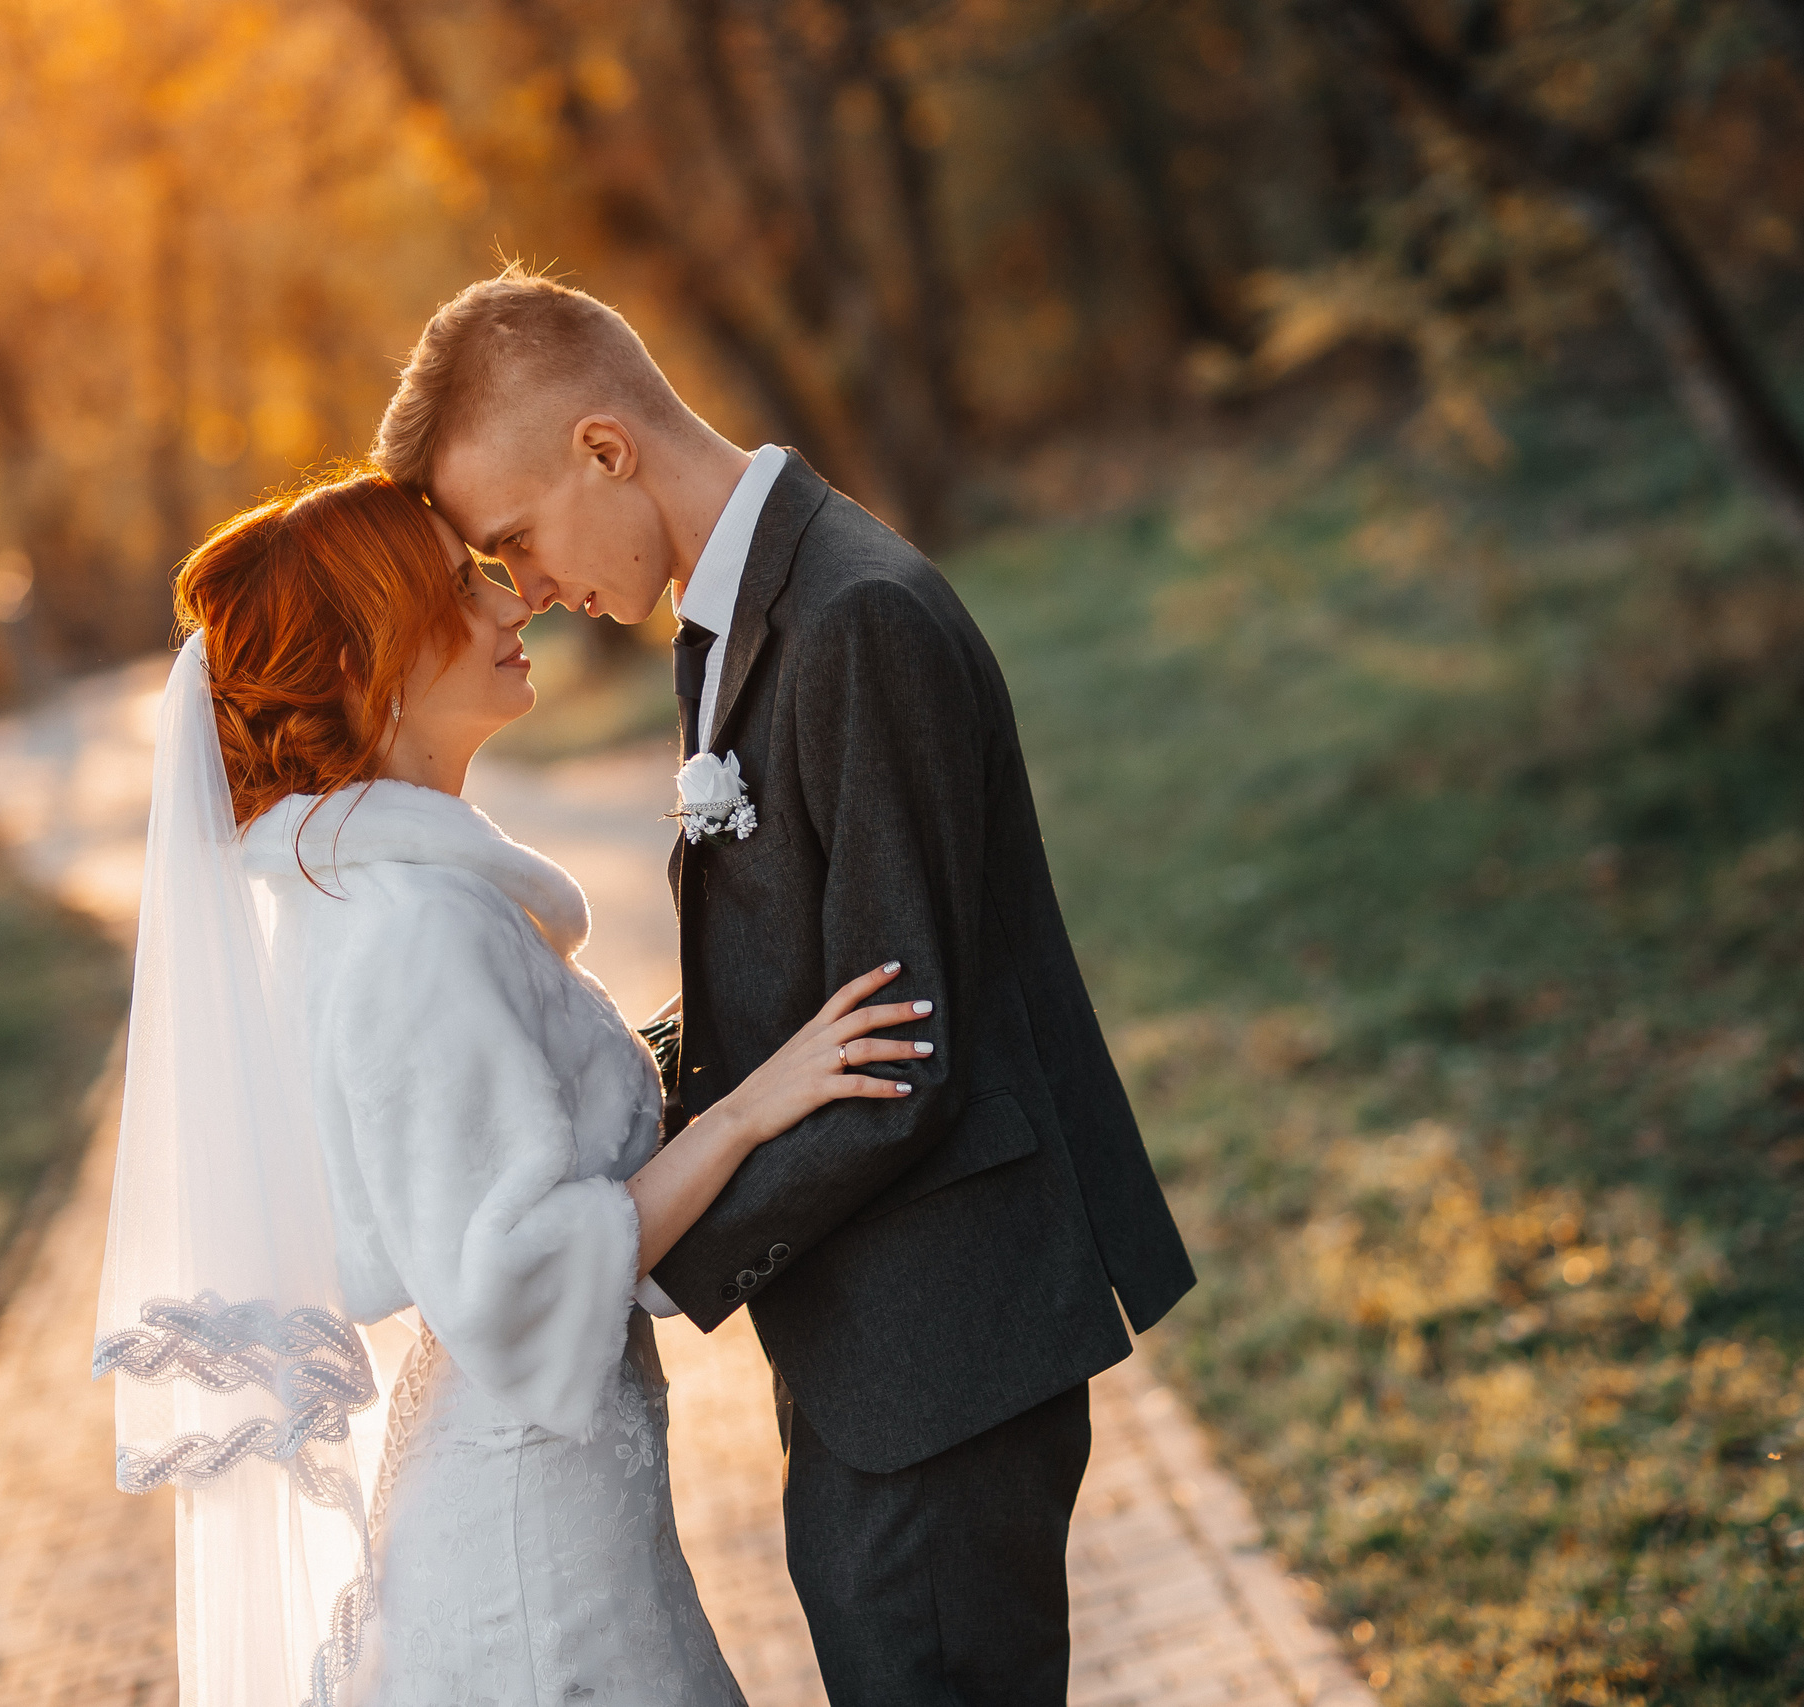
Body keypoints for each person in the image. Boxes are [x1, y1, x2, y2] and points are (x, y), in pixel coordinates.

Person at [376, 267, 1197, 1705]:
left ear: (606, 450)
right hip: (883, 1347)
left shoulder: (853, 616)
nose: (532, 589)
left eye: (516, 538)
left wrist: (642, 1245)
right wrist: (612, 1099)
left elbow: (898, 1050)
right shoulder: (745, 612)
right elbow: (802, 990)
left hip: (945, 1354)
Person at [91, 470, 934, 1705]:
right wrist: (758, 1106)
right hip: (537, 1567)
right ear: (366, 662)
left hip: (553, 1508)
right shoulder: (409, 931)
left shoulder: (379, 902)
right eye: (456, 587)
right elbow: (520, 1276)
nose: (510, 607)